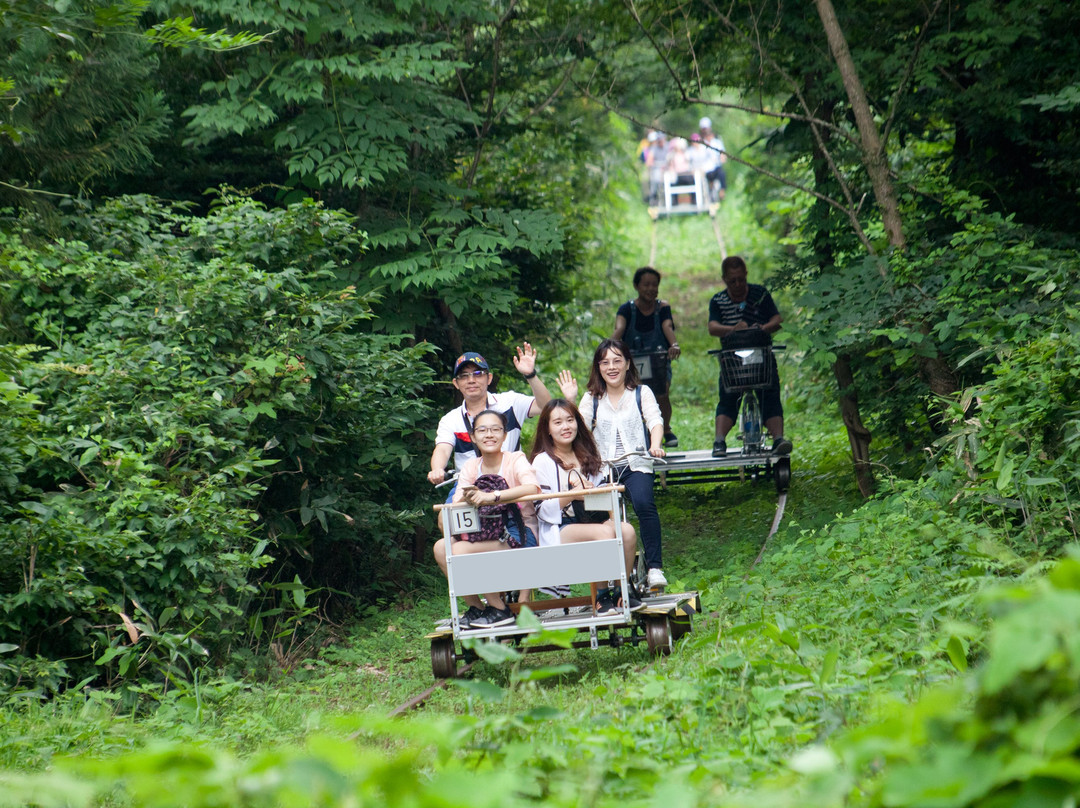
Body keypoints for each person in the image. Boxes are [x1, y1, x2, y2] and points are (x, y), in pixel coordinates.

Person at [529, 397, 643, 614]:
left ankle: (621, 591)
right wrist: (573, 494)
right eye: (558, 422)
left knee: (626, 530)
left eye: (570, 420)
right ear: (548, 429)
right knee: (602, 533)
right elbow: (543, 511)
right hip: (560, 526)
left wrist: (611, 516)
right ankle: (601, 597)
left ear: (578, 423)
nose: (566, 427)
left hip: (593, 518)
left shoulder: (588, 454)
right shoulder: (542, 461)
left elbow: (604, 494)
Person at [574, 338, 669, 591]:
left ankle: (654, 568)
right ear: (598, 367)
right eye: (605, 362)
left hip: (635, 462)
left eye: (617, 361)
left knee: (643, 503)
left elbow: (654, 420)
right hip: (602, 468)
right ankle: (607, 575)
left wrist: (655, 443)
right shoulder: (591, 398)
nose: (612, 367)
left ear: (628, 364)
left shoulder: (641, 392)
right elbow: (578, 428)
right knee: (598, 516)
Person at [433, 409, 541, 629]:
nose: (489, 435)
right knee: (441, 548)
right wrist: (469, 496)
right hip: (484, 534)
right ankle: (478, 608)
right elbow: (456, 504)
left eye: (495, 429)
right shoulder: (471, 467)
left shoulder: (515, 459)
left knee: (460, 551)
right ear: (473, 436)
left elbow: (532, 487)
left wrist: (491, 497)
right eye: (482, 430)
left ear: (504, 435)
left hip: (517, 533)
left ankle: (499, 608)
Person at [427, 344, 557, 490]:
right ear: (456, 384)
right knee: (443, 513)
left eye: (478, 374)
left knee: (530, 510)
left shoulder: (510, 402)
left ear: (489, 378)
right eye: (464, 376)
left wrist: (530, 375)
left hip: (512, 483)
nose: (471, 380)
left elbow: (546, 406)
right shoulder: (450, 419)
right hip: (469, 486)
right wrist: (437, 469)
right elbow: (443, 449)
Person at [707, 255, 793, 458]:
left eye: (740, 279)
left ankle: (778, 438)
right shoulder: (718, 300)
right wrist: (733, 329)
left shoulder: (760, 293)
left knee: (769, 395)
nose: (737, 284)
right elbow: (712, 327)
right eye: (732, 281)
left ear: (746, 275)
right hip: (733, 360)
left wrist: (762, 328)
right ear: (724, 279)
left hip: (761, 355)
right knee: (728, 398)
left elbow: (777, 319)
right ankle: (719, 441)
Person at [613, 266, 681, 447]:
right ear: (636, 286)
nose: (651, 289)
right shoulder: (626, 309)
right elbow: (619, 329)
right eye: (646, 285)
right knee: (634, 397)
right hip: (634, 362)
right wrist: (608, 349)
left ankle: (666, 429)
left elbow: (667, 327)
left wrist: (673, 344)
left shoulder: (663, 307)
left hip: (658, 360)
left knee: (662, 394)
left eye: (654, 285)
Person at [698, 116, 727, 202]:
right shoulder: (700, 143)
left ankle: (722, 191)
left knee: (721, 173)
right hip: (705, 169)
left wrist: (722, 158)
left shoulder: (717, 142)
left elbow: (722, 155)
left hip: (715, 167)